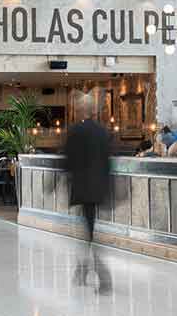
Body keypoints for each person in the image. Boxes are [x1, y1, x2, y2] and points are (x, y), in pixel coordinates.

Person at [65, 119, 112, 292]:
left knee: (89, 233)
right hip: (99, 190)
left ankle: (99, 274)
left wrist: (54, 184)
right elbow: (108, 161)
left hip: (83, 190)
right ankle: (83, 271)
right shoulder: (101, 131)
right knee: (90, 232)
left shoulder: (76, 131)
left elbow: (67, 161)